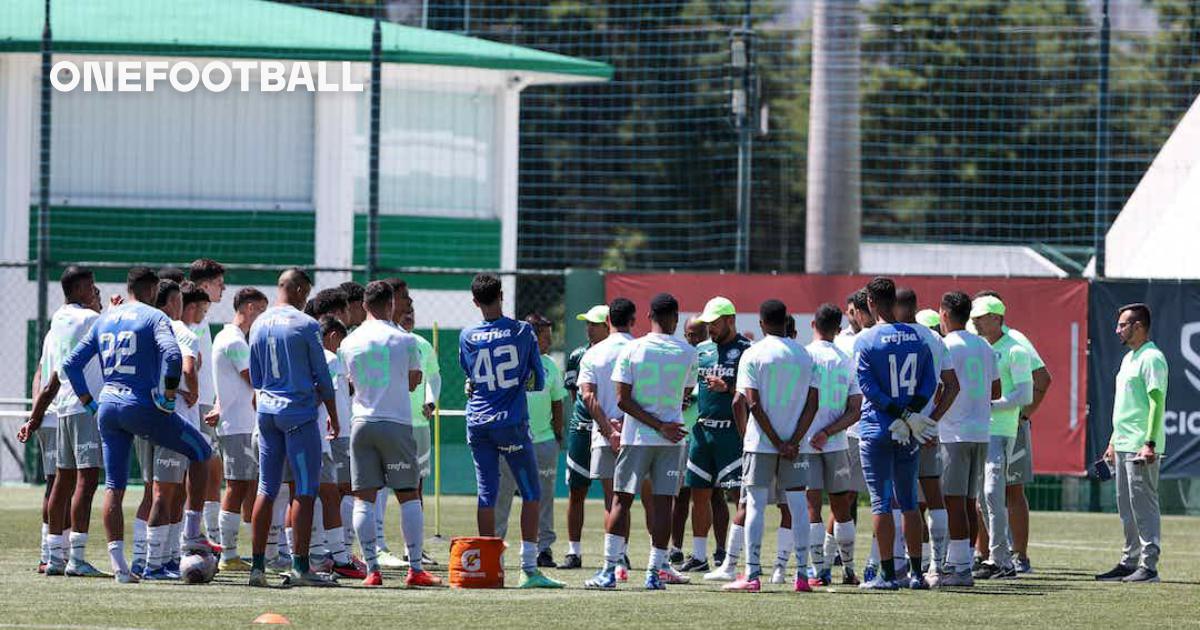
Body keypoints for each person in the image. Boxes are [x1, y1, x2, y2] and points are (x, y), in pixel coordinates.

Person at [60, 266, 214, 584]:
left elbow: (71, 364)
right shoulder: (154, 317)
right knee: (202, 450)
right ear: (154, 289)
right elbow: (172, 356)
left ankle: (120, 567)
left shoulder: (105, 317)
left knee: (114, 487)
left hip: (108, 406)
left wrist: (90, 403)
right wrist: (170, 398)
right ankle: (190, 534)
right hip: (140, 405)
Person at [585, 293, 698, 591]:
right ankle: (653, 573)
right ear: (675, 317)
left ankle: (609, 572)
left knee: (621, 499)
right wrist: (664, 423)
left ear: (649, 316)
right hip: (672, 438)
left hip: (637, 437)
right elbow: (685, 395)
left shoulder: (634, 349)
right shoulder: (688, 352)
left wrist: (655, 424)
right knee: (663, 504)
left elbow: (622, 400)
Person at [458, 273, 563, 588]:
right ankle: (529, 568)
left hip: (477, 422)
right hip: (511, 423)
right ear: (501, 295)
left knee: (486, 493)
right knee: (531, 493)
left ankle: (489, 568)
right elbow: (537, 381)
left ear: (475, 301)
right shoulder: (521, 331)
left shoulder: (467, 335)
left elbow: (471, 379)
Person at [340, 281, 439, 587]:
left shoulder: (349, 341)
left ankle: (372, 570)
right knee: (409, 495)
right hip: (395, 423)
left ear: (365, 305)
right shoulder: (404, 340)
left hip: (361, 424)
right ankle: (415, 569)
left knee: (364, 499)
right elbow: (412, 382)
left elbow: (349, 384)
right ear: (391, 304)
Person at [247, 268, 340, 588]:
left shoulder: (258, 323)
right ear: (299, 289)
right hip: (298, 415)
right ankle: (301, 568)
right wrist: (333, 415)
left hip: (267, 414)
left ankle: (257, 568)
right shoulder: (307, 324)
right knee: (304, 488)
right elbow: (323, 378)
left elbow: (256, 380)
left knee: (267, 489)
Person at [722, 299, 819, 593]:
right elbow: (813, 404)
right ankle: (802, 575)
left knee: (754, 505)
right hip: (794, 444)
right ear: (788, 321)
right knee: (798, 504)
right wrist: (792, 442)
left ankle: (752, 575)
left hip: (760, 442)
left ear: (762, 323)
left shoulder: (753, 354)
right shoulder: (804, 355)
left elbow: (747, 401)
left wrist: (766, 440)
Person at [18, 266, 105, 577]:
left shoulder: (58, 319)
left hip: (61, 407)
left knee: (62, 480)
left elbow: (52, 374)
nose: (97, 294)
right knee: (87, 479)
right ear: (81, 289)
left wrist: (36, 415)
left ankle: (55, 556)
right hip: (85, 408)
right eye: (93, 288)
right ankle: (77, 558)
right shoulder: (90, 319)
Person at [854, 277, 939, 590]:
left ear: (872, 303)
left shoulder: (865, 340)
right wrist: (910, 417)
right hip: (908, 430)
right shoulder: (919, 339)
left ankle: (888, 575)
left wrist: (899, 415)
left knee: (881, 502)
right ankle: (916, 574)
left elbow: (869, 389)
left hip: (878, 426)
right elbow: (929, 385)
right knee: (909, 502)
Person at [971, 290, 1052, 573]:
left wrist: (1023, 415)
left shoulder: (1016, 343)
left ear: (997, 317)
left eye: (980, 317)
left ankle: (1016, 556)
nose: (975, 322)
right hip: (979, 427)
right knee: (982, 493)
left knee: (1008, 490)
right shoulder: (975, 339)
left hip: (1007, 426)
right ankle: (988, 554)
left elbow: (1040, 380)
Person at [1095, 303, 1166, 584]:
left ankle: (1149, 567)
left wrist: (1149, 442)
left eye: (1123, 325)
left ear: (1138, 326)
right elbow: (1126, 406)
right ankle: (1129, 562)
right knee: (1126, 507)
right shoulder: (1129, 358)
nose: (1117, 330)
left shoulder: (1152, 357)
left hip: (1140, 446)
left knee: (1143, 506)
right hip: (1123, 443)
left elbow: (1156, 402)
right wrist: (1113, 441)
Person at [932, 291, 999, 587]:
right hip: (981, 433)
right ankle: (962, 563)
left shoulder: (945, 346)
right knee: (968, 501)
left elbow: (938, 389)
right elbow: (996, 391)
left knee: (954, 502)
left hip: (953, 433)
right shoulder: (984, 346)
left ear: (944, 315)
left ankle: (959, 569)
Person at [896, 288, 959, 574]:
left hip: (894, 427)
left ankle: (895, 563)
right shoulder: (934, 338)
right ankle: (936, 565)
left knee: (896, 496)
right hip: (925, 430)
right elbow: (952, 385)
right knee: (933, 495)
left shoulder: (889, 336)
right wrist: (931, 422)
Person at [686, 297, 751, 575]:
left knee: (739, 496)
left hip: (732, 433)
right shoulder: (700, 350)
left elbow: (754, 391)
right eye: (707, 323)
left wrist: (728, 387)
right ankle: (699, 556)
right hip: (703, 431)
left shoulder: (747, 350)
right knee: (698, 495)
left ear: (730, 320)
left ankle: (739, 558)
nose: (710, 328)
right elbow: (689, 385)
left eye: (715, 323)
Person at [495, 314, 566, 568]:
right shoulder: (509, 360)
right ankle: (494, 547)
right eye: (545, 336)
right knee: (502, 496)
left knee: (542, 497)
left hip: (543, 442)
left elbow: (558, 401)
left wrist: (557, 435)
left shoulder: (549, 366)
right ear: (532, 337)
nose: (549, 341)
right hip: (510, 440)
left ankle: (543, 549)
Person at [802, 303, 863, 587]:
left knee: (812, 506)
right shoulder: (847, 359)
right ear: (838, 330)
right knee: (841, 507)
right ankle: (849, 570)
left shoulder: (802, 356)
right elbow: (855, 409)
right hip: (837, 442)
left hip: (805, 442)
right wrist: (829, 431)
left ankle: (818, 572)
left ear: (813, 323)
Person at [578, 298, 637, 581]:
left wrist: (608, 428)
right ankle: (657, 563)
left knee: (610, 502)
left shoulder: (592, 354)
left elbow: (587, 395)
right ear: (633, 319)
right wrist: (625, 425)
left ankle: (613, 563)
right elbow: (643, 392)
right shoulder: (641, 349)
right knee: (642, 499)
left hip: (604, 434)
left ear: (608, 321)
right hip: (638, 433)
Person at [209, 287, 268, 572]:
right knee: (236, 486)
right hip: (239, 425)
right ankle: (228, 554)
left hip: (241, 423)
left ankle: (249, 549)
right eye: (261, 310)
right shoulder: (234, 340)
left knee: (248, 485)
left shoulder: (229, 338)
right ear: (247, 308)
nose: (263, 317)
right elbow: (254, 382)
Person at [561, 304, 609, 569]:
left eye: (594, 323)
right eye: (587, 323)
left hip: (608, 431)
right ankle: (573, 552)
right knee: (576, 491)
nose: (589, 328)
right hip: (582, 430)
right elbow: (574, 395)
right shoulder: (578, 355)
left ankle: (616, 552)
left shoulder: (620, 353)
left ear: (608, 326)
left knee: (612, 492)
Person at [398, 297, 441, 568]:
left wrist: (431, 400)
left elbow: (434, 376)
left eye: (412, 312)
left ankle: (411, 548)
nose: (409, 316)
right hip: (393, 422)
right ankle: (376, 548)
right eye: (404, 312)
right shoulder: (388, 342)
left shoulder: (423, 345)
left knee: (416, 487)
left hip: (419, 425)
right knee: (376, 488)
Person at [190, 258, 226, 547]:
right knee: (204, 469)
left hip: (204, 404)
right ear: (203, 285)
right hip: (194, 405)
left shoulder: (202, 318)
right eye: (218, 284)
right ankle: (197, 535)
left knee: (213, 470)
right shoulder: (191, 318)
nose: (223, 288)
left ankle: (208, 536)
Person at [669, 317, 710, 566]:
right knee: (679, 495)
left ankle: (715, 550)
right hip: (682, 435)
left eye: (699, 334)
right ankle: (676, 547)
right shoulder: (681, 357)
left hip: (704, 436)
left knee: (710, 497)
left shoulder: (710, 357)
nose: (694, 339)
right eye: (689, 335)